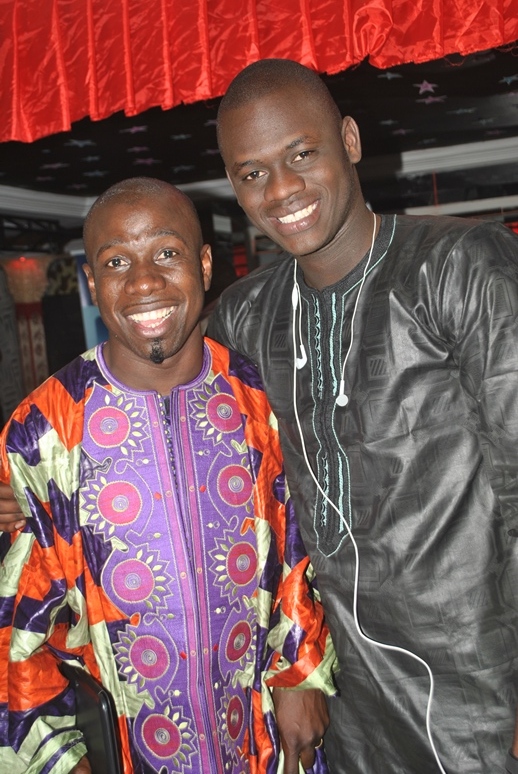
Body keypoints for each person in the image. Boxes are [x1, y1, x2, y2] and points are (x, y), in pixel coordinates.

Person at [203, 59, 518, 774]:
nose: (280, 190)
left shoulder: (459, 267)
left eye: (301, 155)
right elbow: (159, 413)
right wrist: (29, 474)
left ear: (348, 139)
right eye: (251, 174)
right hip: (346, 695)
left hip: (481, 688)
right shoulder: (247, 316)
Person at [0, 177, 335, 774]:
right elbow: (16, 622)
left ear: (205, 265)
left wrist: (300, 673)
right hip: (124, 754)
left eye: (167, 253)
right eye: (116, 262)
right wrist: (60, 759)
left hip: (261, 739)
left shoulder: (260, 398)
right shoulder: (41, 431)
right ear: (91, 283)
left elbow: (296, 549)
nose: (144, 281)